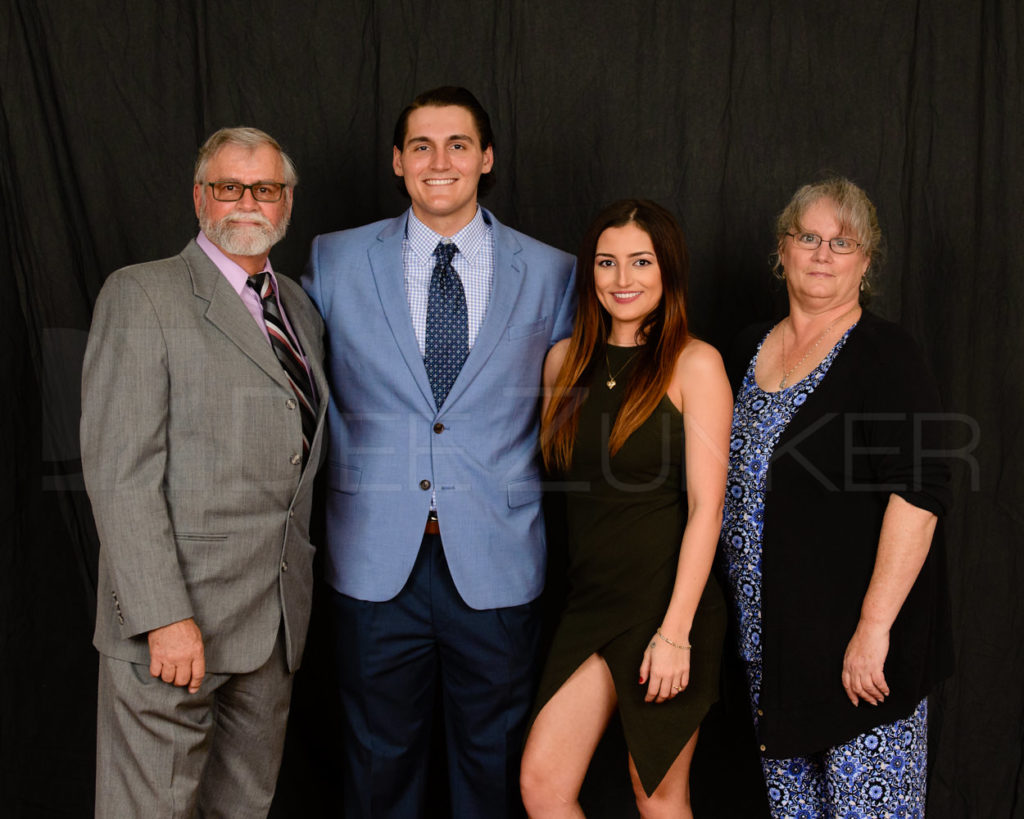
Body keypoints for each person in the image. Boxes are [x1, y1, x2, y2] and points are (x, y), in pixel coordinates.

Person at [303, 86, 576, 818]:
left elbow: (588, 397)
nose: (439, 161)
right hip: (372, 558)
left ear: (486, 158)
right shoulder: (334, 259)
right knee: (377, 769)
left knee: (492, 769)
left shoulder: (553, 271)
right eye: (420, 146)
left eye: (458, 144)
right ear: (397, 162)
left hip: (497, 556)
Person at [81, 127, 327, 817]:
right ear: (200, 197)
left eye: (266, 188)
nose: (248, 201)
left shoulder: (300, 310)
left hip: (272, 623)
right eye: (229, 186)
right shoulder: (142, 295)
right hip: (177, 624)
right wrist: (163, 615)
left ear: (286, 203)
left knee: (243, 808)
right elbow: (120, 469)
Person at [719, 177, 953, 818]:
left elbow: (921, 492)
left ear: (866, 261)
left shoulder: (886, 354)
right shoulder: (747, 350)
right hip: (775, 649)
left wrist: (873, 630)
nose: (823, 254)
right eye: (810, 238)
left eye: (843, 242)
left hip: (859, 653)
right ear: (783, 249)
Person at [519, 199, 731, 818]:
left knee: (658, 798)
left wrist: (676, 633)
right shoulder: (564, 363)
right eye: (607, 263)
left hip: (667, 608)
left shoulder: (696, 363)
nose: (622, 279)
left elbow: (706, 510)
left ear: (668, 271)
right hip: (590, 605)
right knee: (544, 786)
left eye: (640, 262)